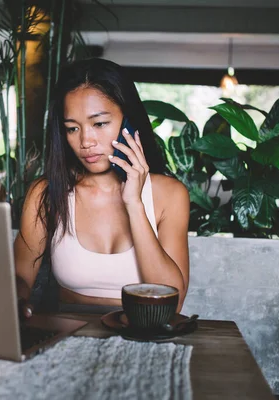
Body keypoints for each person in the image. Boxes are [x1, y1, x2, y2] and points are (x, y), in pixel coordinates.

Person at [15, 58, 190, 318]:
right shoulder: (47, 192)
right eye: (73, 128)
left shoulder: (170, 195)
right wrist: (18, 305)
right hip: (66, 335)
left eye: (99, 124)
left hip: (144, 335)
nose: (86, 141)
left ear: (128, 123)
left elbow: (171, 302)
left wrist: (134, 204)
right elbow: (19, 276)